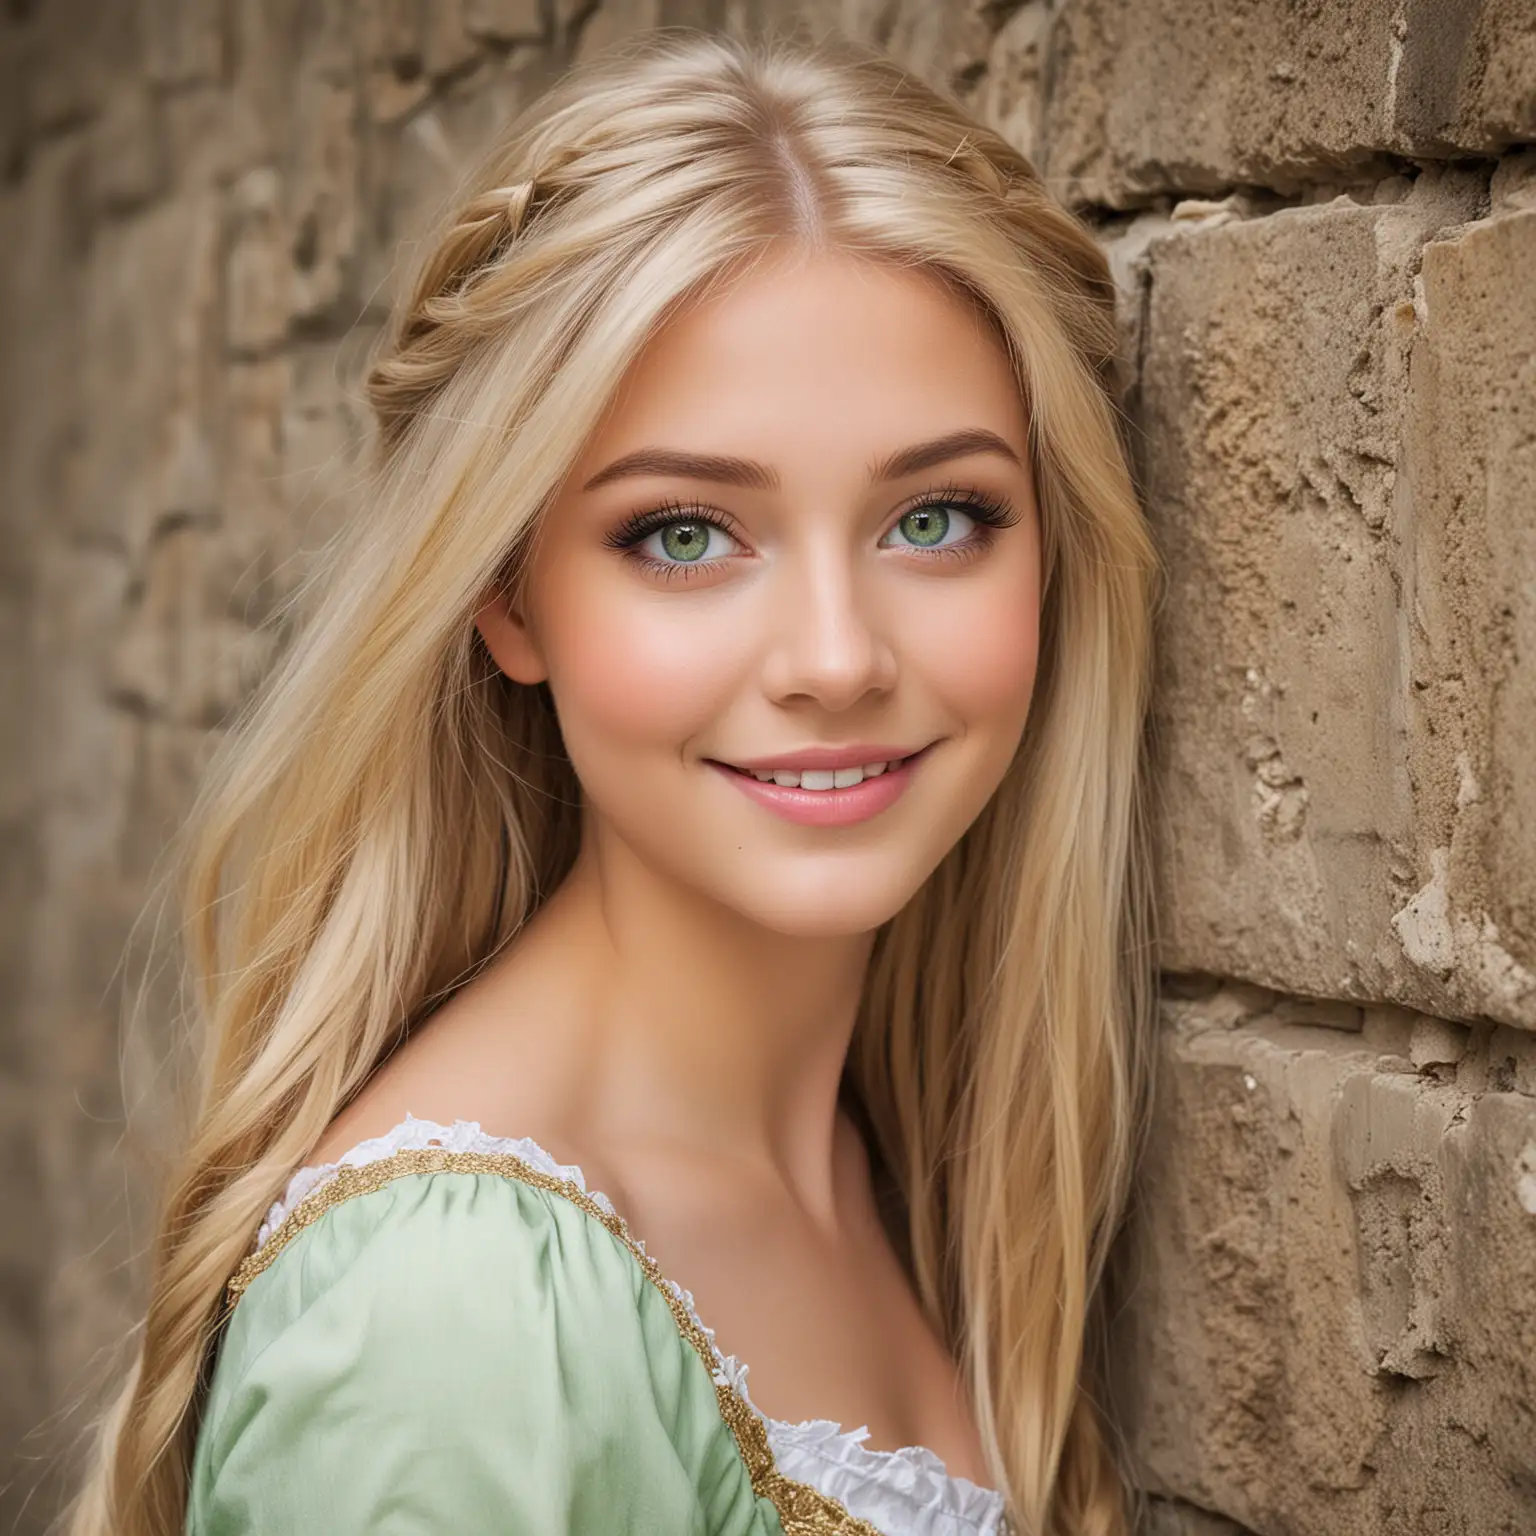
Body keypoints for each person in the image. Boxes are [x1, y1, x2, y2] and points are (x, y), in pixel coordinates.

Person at [68, 26, 1158, 1536]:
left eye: (938, 518)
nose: (836, 659)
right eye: (687, 536)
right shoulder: (441, 1326)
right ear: (507, 597)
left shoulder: (894, 1154)